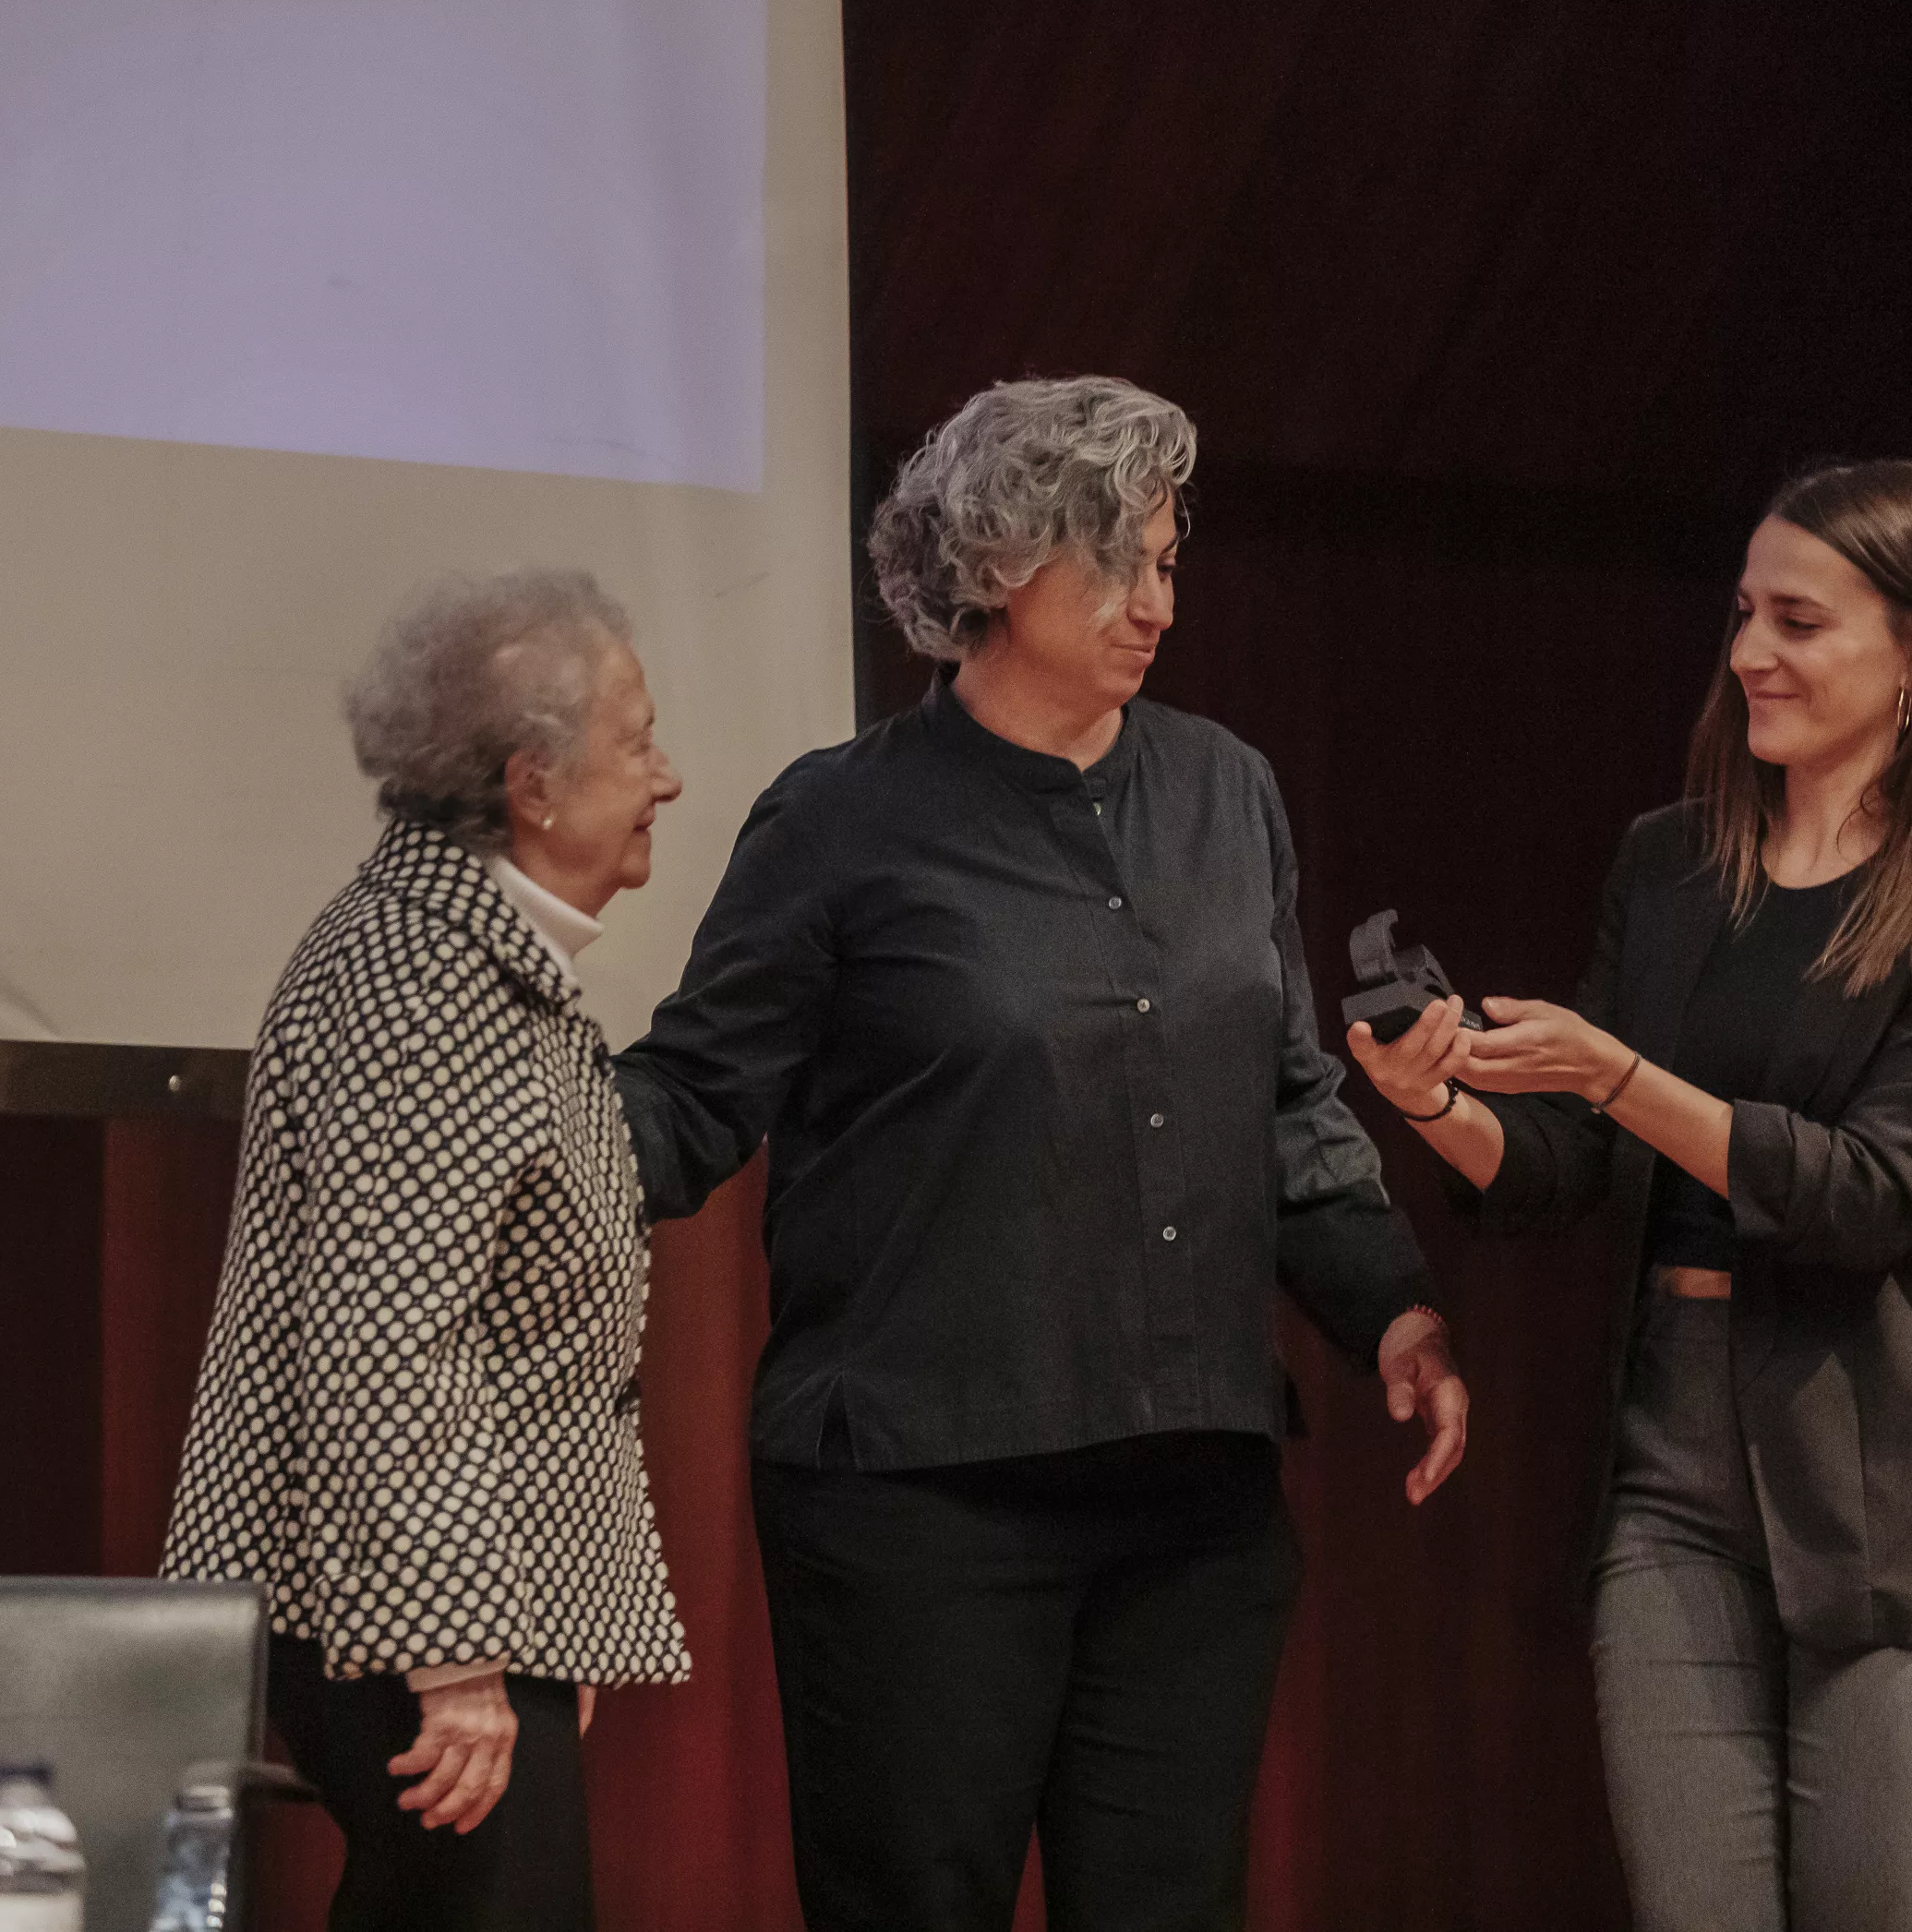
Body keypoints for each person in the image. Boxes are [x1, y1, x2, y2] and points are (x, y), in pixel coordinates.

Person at [616, 376, 1470, 1932]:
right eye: (1117, 565)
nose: (1158, 602)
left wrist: (1391, 1309)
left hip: (1190, 1506)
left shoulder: (1226, 789)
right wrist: (502, 1130)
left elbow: (1283, 1094)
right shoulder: (834, 821)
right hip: (917, 1502)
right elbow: (689, 1096)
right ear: (1002, 567)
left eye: (1165, 559)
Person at [1351, 460, 1912, 1932]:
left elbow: (1869, 1197)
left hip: (1887, 1489)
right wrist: (1438, 1103)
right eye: (1743, 612)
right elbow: (1574, 1175)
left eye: (1798, 620)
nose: (1749, 651)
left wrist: (1618, 1075)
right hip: (1666, 1476)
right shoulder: (1669, 863)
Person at [162, 569, 692, 1932]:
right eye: (637, 741)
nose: (668, 776)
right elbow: (389, 1340)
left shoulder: (458, 955)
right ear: (533, 783)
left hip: (430, 1597)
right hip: (399, 1613)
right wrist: (458, 1659)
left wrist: (535, 1622)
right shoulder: (425, 979)